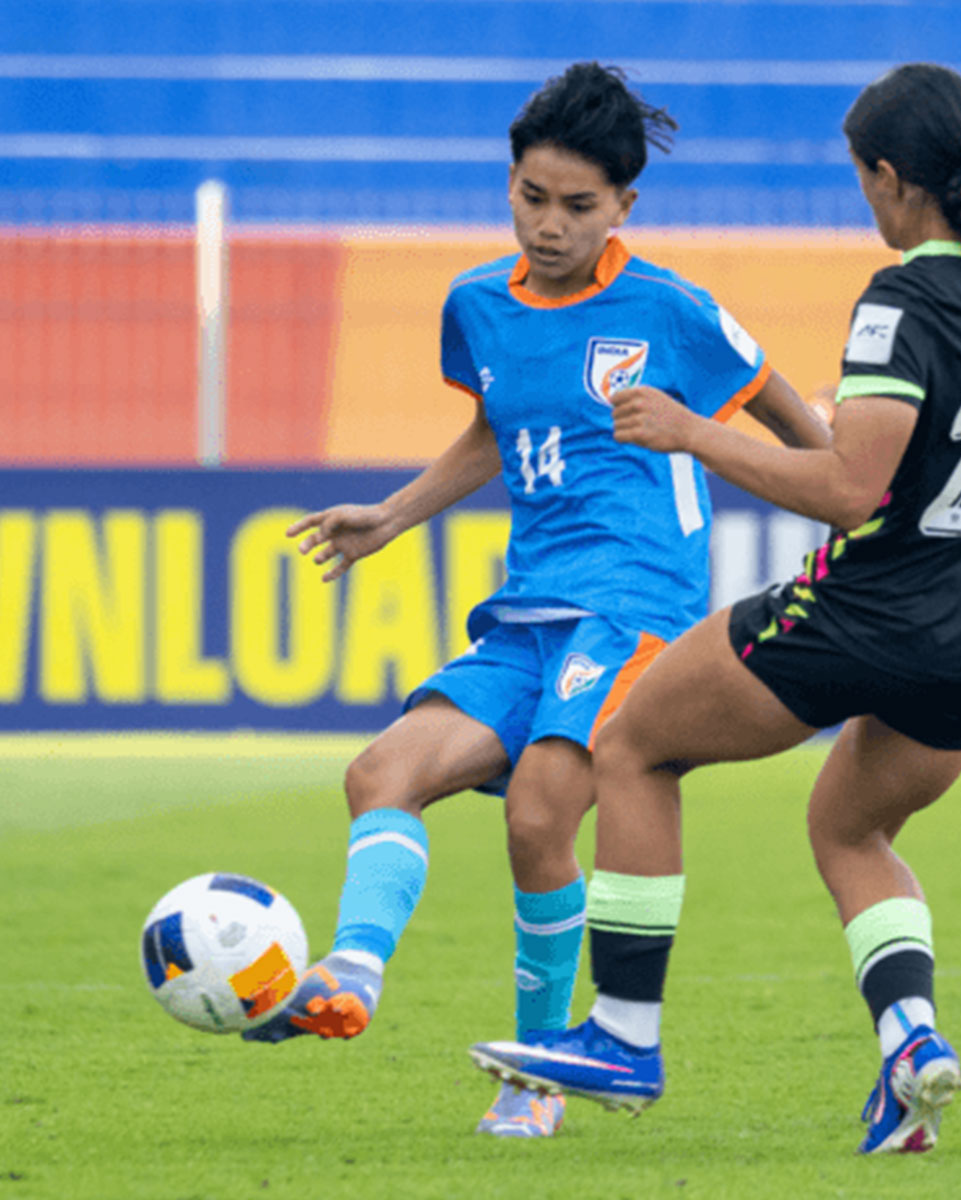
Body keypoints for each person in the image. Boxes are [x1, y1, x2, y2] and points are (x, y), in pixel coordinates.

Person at [468, 62, 961, 1154]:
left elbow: (853, 493)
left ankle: (622, 1032)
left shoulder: (901, 302)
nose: (865, 201)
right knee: (852, 826)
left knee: (633, 742)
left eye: (862, 182)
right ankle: (909, 1046)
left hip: (871, 610)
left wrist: (697, 431)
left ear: (892, 180)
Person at [241, 62, 829, 1141]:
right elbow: (499, 431)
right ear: (508, 182)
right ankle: (354, 974)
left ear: (623, 209)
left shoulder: (676, 313)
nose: (548, 225)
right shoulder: (474, 305)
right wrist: (394, 513)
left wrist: (869, 513)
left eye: (577, 206)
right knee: (379, 772)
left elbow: (810, 434)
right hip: (528, 607)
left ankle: (536, 1078)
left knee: (538, 815)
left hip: (636, 603)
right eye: (530, 197)